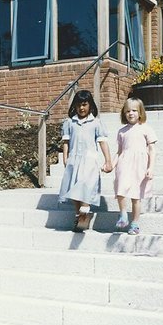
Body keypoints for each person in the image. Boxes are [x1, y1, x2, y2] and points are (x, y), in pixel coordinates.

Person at [57, 89, 113, 230]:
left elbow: (102, 142)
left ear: (90, 105)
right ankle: (79, 216)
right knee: (74, 187)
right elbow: (66, 142)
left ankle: (85, 209)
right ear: (74, 106)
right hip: (74, 160)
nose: (82, 108)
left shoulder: (96, 123)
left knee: (86, 184)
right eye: (79, 105)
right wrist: (65, 158)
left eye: (84, 104)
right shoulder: (70, 123)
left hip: (89, 161)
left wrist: (108, 160)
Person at [114, 96, 157, 236]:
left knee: (135, 196)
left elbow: (152, 150)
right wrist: (111, 164)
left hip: (140, 165)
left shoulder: (146, 129)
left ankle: (135, 223)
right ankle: (123, 215)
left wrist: (151, 168)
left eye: (134, 110)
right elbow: (119, 151)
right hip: (124, 162)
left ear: (140, 112)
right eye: (127, 111)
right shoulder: (122, 131)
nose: (130, 113)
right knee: (120, 190)